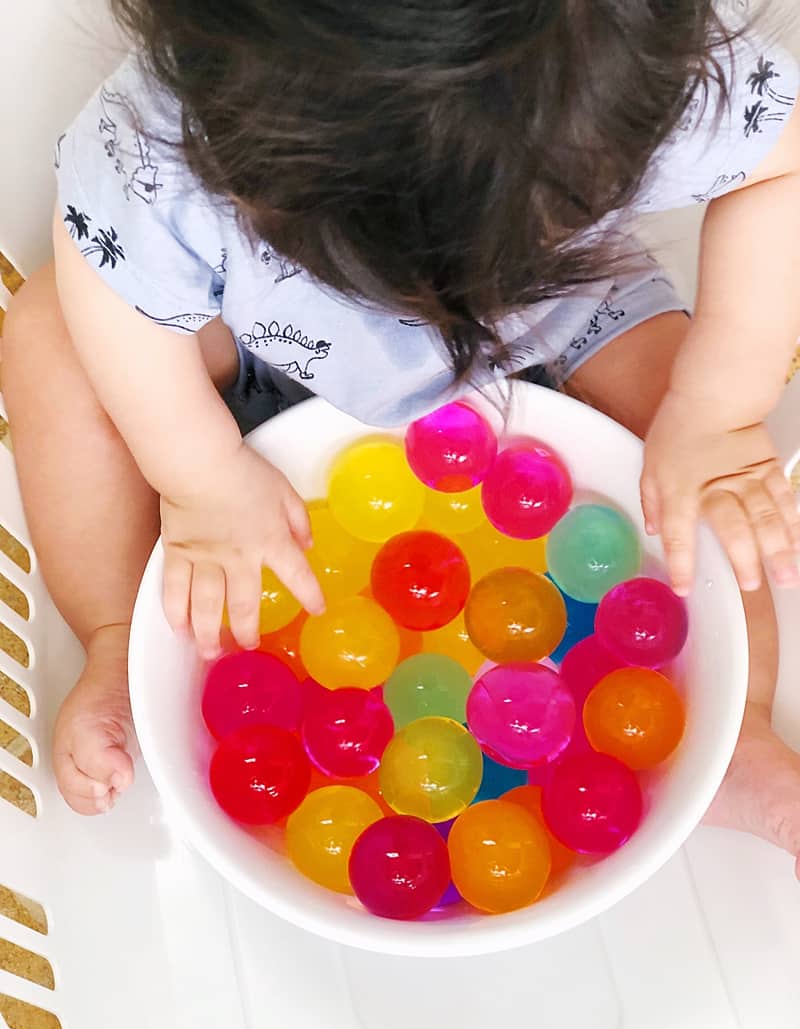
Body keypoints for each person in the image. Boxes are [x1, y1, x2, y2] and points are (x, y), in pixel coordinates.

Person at [3, 2, 800, 872]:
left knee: (708, 487)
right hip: (264, 348)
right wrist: (199, 475)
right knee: (51, 331)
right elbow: (108, 287)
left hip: (554, 324)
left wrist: (715, 410)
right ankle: (121, 631)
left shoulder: (630, 60)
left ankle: (734, 730)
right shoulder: (161, 142)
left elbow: (780, 167)